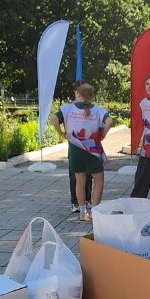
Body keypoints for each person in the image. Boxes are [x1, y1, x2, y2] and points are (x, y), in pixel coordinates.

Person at [53, 82, 113, 222]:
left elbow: (54, 118)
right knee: (98, 180)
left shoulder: (67, 109)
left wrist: (61, 132)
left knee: (80, 181)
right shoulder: (98, 110)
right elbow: (109, 121)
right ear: (91, 96)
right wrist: (103, 134)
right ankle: (95, 211)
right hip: (92, 150)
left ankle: (82, 212)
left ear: (78, 94)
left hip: (75, 150)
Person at [65, 81, 92, 213]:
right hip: (75, 147)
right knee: (75, 176)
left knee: (89, 175)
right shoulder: (70, 108)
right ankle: (75, 202)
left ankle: (87, 199)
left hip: (88, 147)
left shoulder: (91, 108)